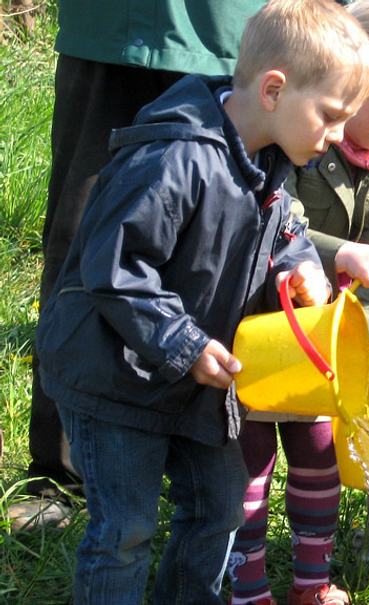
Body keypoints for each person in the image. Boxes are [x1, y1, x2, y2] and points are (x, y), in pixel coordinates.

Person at [33, 2, 369, 603]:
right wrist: (184, 344)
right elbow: (115, 268)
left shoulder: (271, 158)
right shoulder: (174, 157)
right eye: (330, 116)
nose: (337, 136)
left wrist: (297, 267)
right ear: (274, 89)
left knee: (220, 507)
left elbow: (285, 230)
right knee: (126, 529)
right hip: (116, 378)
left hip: (195, 383)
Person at [227, 1, 369, 604]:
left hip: (327, 346)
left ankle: (312, 583)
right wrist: (343, 254)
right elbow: (276, 223)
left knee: (320, 459)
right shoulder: (297, 138)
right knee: (249, 462)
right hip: (260, 331)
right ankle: (246, 585)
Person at [10, 0, 267, 531]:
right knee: (82, 245)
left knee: (218, 259)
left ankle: (194, 474)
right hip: (111, 32)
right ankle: (62, 474)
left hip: (235, 37)